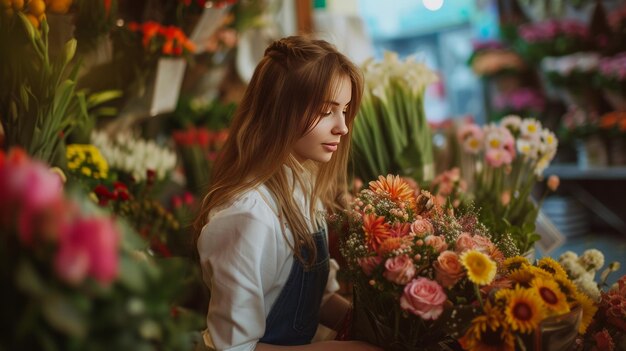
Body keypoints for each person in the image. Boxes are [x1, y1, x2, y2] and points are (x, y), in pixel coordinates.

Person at [195, 36, 380, 351]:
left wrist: (384, 331)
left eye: (345, 110)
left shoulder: (303, 188)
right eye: (326, 111)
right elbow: (234, 347)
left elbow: (314, 299)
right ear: (279, 112)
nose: (343, 127)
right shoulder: (250, 215)